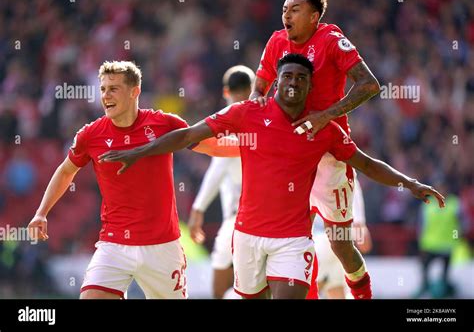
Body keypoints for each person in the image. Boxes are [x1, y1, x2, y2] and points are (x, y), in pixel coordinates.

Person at [99, 54, 445, 299]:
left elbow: (366, 164)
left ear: (310, 86)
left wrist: (410, 183)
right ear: (276, 81)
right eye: (288, 76)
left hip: (294, 240)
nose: (294, 82)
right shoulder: (247, 113)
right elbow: (190, 134)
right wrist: (138, 152)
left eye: (301, 78)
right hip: (247, 236)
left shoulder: (324, 129)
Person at [27, 61, 237, 299]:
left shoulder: (163, 124)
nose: (106, 95)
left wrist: (253, 146)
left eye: (113, 88)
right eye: (103, 89)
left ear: (134, 91)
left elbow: (211, 146)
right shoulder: (90, 134)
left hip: (163, 246)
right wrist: (41, 213)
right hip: (114, 245)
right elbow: (66, 171)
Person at [250, 0, 381, 299]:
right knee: (294, 239)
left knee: (339, 244)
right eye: (285, 9)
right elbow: (259, 90)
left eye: (294, 10)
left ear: (314, 16)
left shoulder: (332, 41)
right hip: (290, 156)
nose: (286, 15)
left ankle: (363, 294)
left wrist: (326, 115)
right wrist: (258, 114)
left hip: (329, 152)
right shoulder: (276, 41)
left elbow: (370, 84)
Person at [188, 65, 254, 299]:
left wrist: (198, 209)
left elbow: (218, 168)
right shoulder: (260, 121)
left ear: (226, 92)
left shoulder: (228, 126)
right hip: (263, 220)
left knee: (221, 291)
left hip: (239, 220)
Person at [309, 180, 372, 299]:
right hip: (338, 240)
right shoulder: (347, 176)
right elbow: (363, 241)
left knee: (314, 288)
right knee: (335, 290)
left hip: (319, 242)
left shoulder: (311, 171)